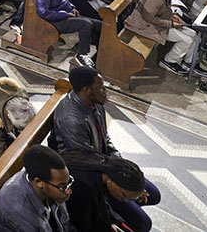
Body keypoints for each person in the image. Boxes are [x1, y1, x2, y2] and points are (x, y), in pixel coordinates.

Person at [51, 66, 160, 232]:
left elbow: (106, 140)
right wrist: (121, 181)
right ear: (87, 90)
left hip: (105, 166)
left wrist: (128, 177)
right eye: (101, 88)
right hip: (92, 172)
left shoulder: (96, 104)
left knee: (153, 195)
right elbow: (87, 159)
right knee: (143, 224)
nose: (105, 91)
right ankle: (123, 206)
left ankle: (125, 202)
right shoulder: (70, 119)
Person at [29, 0, 100, 68]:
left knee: (100, 25)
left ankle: (101, 53)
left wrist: (72, 8)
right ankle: (82, 55)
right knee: (86, 24)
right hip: (53, 22)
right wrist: (66, 14)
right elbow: (44, 13)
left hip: (63, 15)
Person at [61, 150, 147, 232]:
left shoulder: (101, 166)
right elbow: (82, 224)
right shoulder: (83, 187)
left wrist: (110, 223)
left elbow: (100, 202)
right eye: (123, 195)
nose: (123, 200)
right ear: (110, 181)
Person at [0, 145, 73, 232]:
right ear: (39, 182)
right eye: (63, 186)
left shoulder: (51, 182)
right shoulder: (15, 208)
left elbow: (66, 224)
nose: (69, 191)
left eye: (69, 182)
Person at [124, 0, 194, 74]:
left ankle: (188, 62)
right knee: (186, 40)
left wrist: (172, 16)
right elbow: (149, 18)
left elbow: (160, 11)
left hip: (153, 23)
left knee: (193, 33)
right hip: (143, 27)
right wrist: (171, 24)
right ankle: (169, 61)